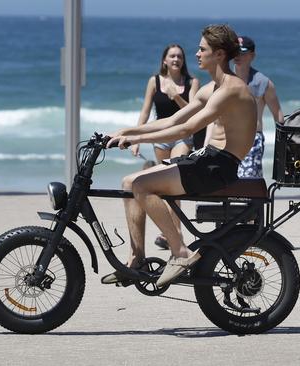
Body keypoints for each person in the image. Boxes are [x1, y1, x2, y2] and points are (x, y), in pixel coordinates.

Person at [105, 24, 257, 286]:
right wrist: (126, 130)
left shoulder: (231, 89)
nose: (196, 54)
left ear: (219, 54)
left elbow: (187, 129)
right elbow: (173, 119)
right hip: (206, 159)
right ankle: (136, 259)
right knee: (129, 183)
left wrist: (136, 139)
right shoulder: (210, 89)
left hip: (219, 166)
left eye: (202, 49)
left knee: (142, 185)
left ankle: (180, 252)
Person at [131, 44, 201, 250]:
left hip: (182, 137)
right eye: (172, 56)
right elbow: (145, 112)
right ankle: (168, 232)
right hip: (161, 137)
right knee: (164, 186)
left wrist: (175, 96)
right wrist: (136, 138)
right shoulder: (154, 81)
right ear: (164, 60)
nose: (176, 59)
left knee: (172, 174)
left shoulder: (192, 82)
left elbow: (193, 112)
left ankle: (176, 233)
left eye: (179, 56)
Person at [233, 35, 284, 178]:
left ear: (252, 56)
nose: (237, 56)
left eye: (242, 52)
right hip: (227, 138)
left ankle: (256, 197)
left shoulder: (263, 83)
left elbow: (278, 114)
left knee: (247, 180)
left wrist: (284, 146)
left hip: (252, 139)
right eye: (235, 52)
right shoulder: (224, 79)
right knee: (228, 184)